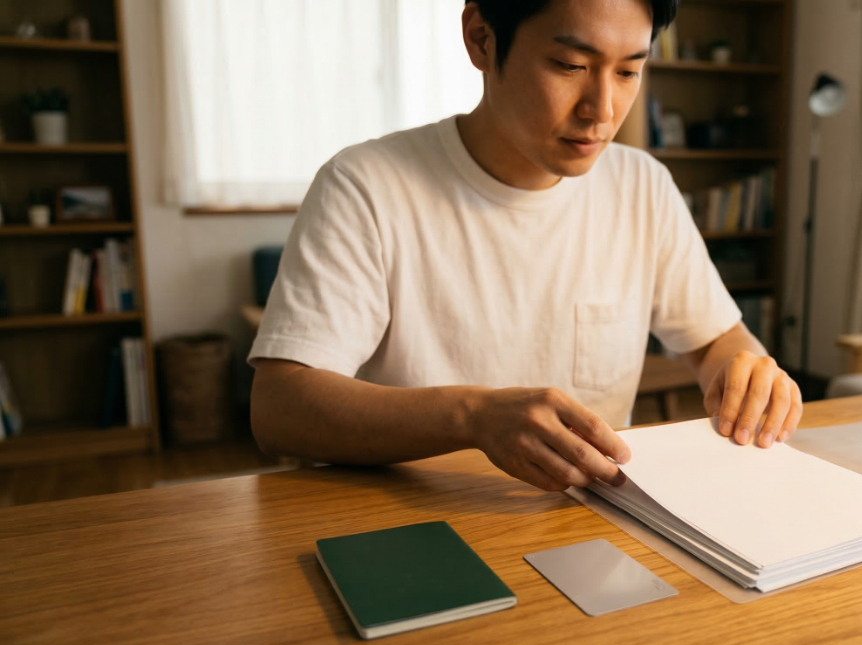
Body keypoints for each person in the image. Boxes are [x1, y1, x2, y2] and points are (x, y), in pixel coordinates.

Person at [248, 0, 802, 493]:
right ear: (481, 39)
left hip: (593, 510)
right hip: (416, 514)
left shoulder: (642, 184)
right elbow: (280, 408)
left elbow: (715, 341)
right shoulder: (367, 184)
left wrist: (747, 374)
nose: (602, 109)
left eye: (630, 70)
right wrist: (474, 416)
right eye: (570, 66)